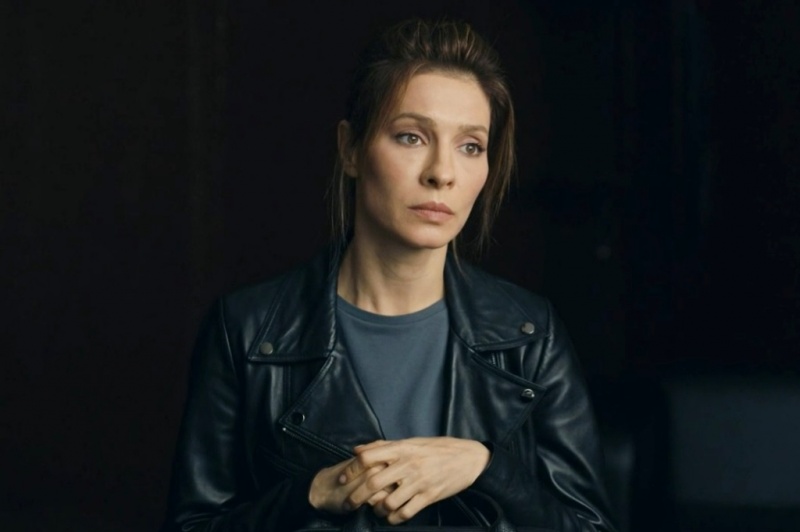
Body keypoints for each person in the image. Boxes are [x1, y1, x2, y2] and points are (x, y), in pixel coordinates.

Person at [161, 18, 618, 532]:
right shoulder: (246, 331)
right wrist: (309, 495)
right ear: (351, 149)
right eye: (411, 137)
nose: (442, 172)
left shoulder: (531, 334)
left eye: (470, 146)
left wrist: (485, 470)